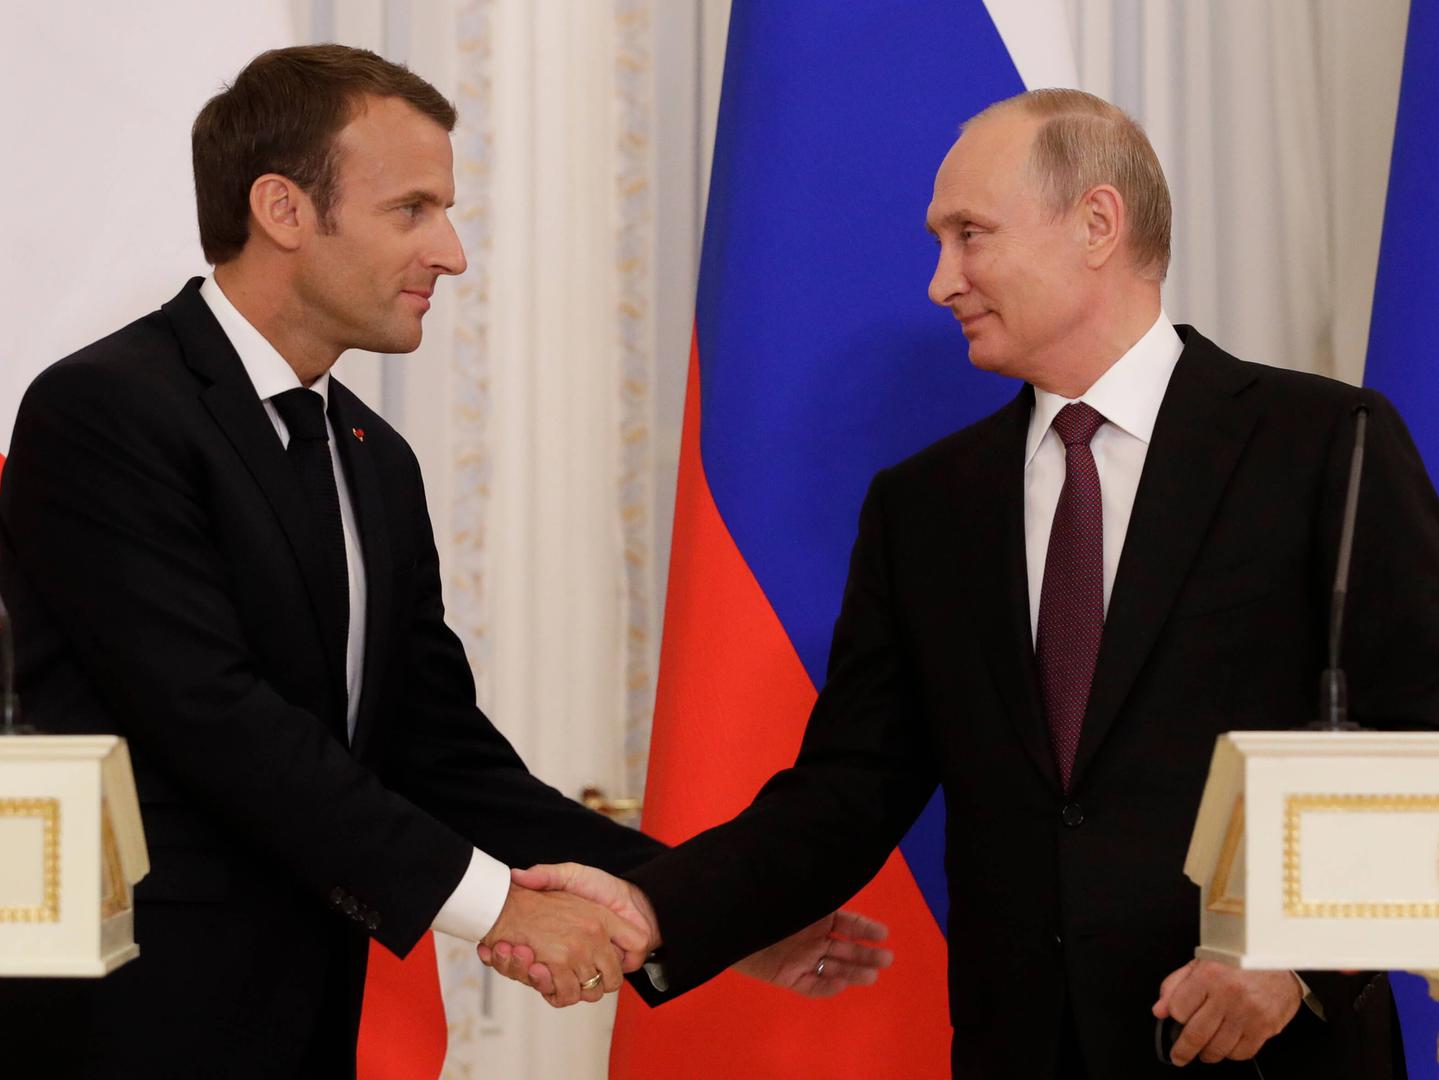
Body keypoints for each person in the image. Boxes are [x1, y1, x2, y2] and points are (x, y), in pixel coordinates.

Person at [485, 89, 1439, 1077]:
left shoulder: (1324, 442)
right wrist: (654, 906)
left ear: (1096, 224)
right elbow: (849, 788)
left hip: (1270, 1055)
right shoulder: (927, 505)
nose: (941, 282)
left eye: (969, 235)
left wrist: (1295, 959)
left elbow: (1418, 737)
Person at [0, 45, 888, 1079]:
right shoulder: (106, 409)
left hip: (305, 1014)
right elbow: (215, 719)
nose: (452, 253)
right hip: (124, 1018)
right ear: (283, 210)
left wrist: (698, 913)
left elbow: (437, 753)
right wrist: (500, 905)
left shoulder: (374, 458)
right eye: (411, 210)